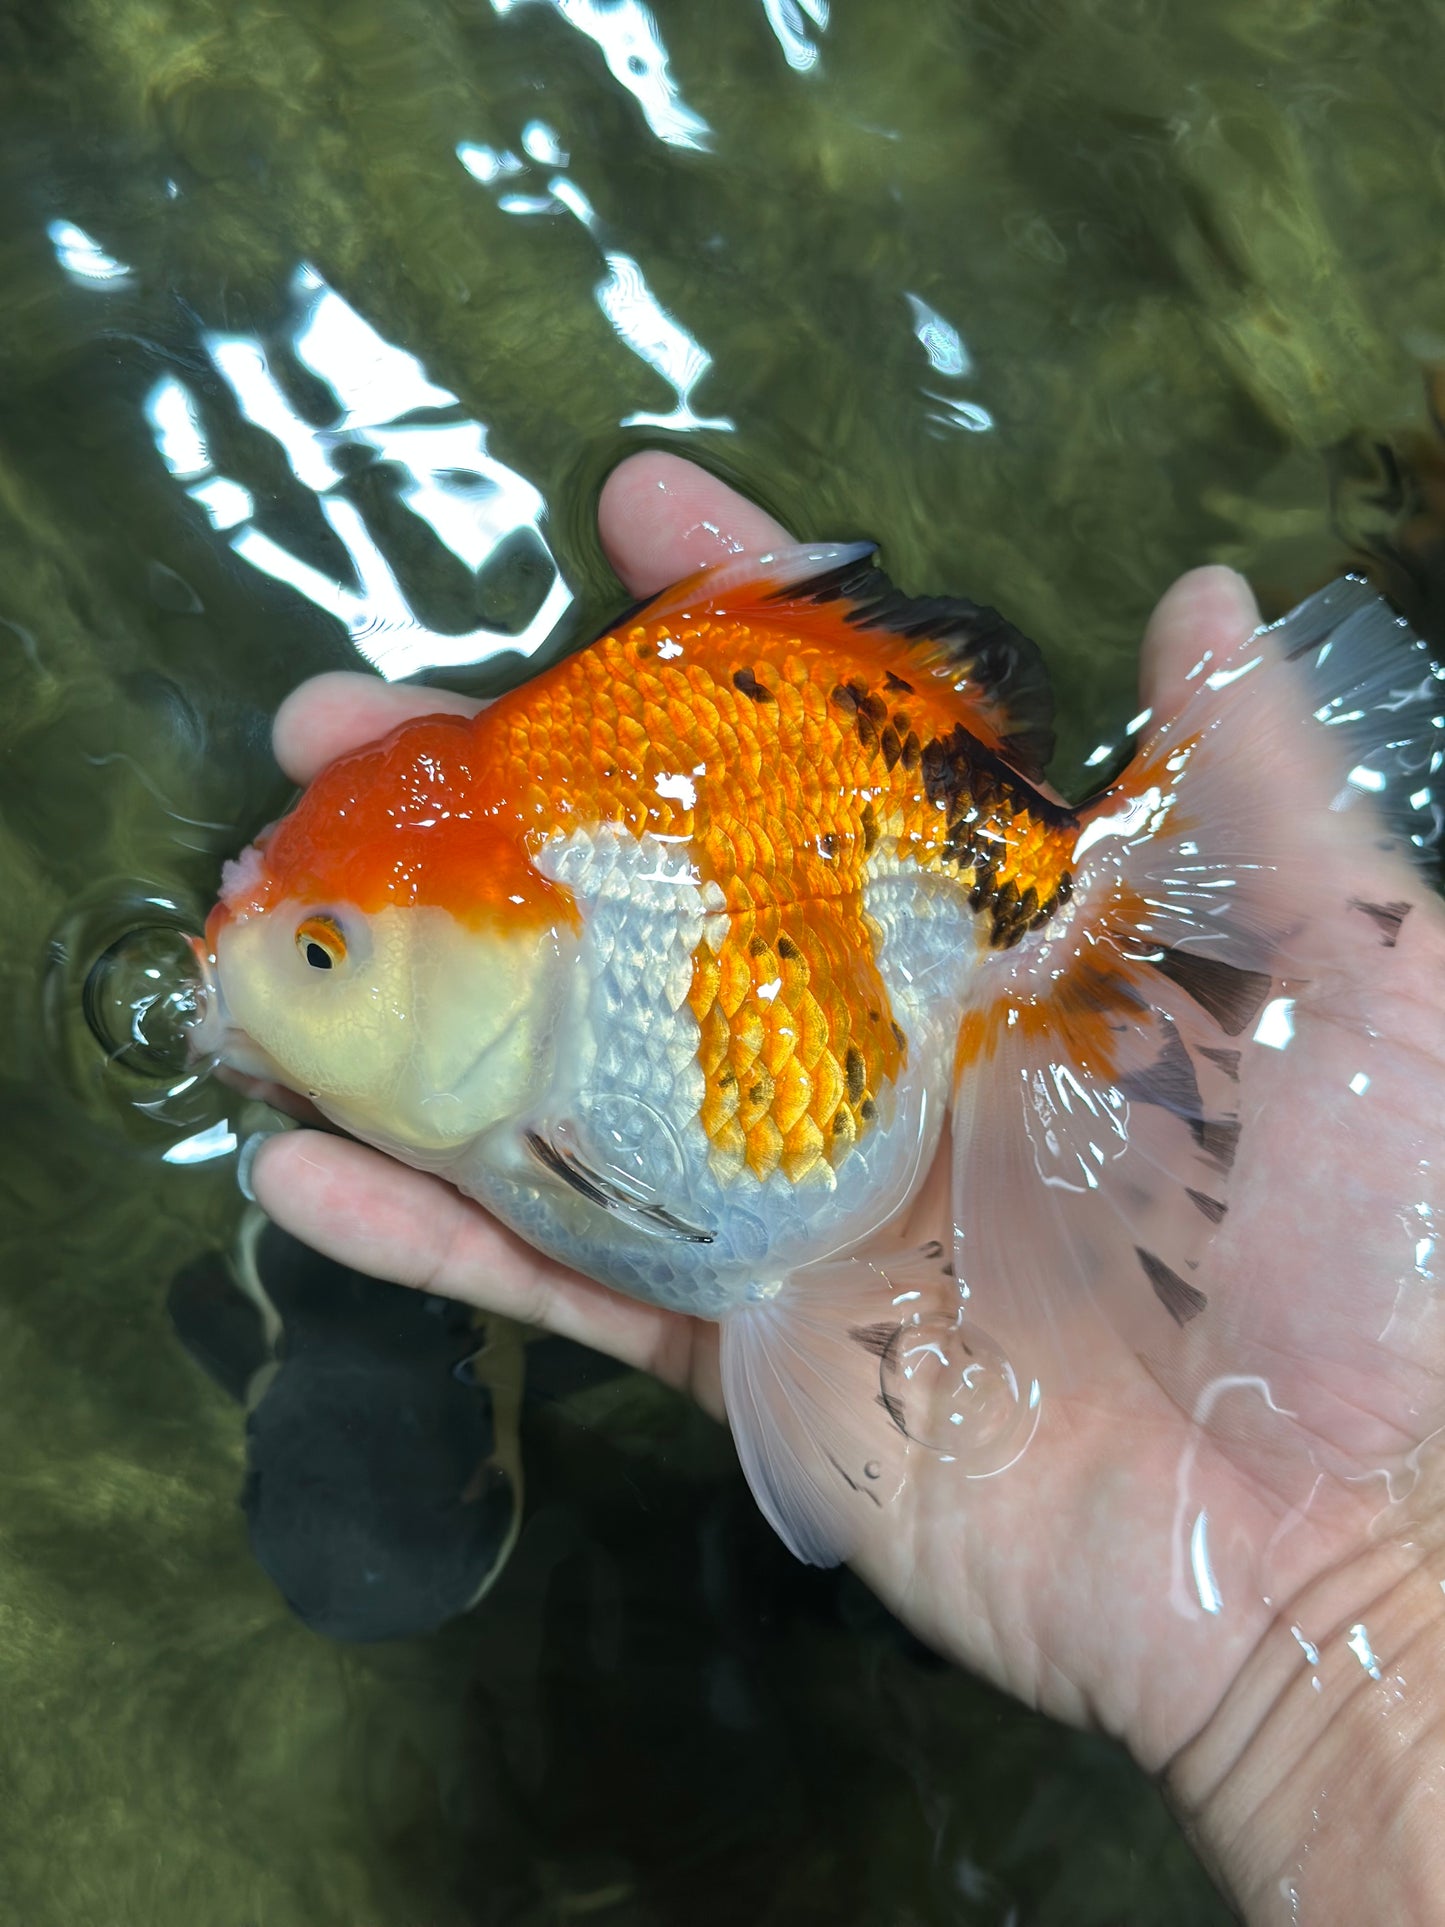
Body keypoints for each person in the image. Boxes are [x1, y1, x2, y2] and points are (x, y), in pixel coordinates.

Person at [242, 452, 1445, 1922]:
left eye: (323, 954)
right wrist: (1356, 1616)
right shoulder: (511, 985)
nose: (283, 977)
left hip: (946, 945)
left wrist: (1376, 1582)